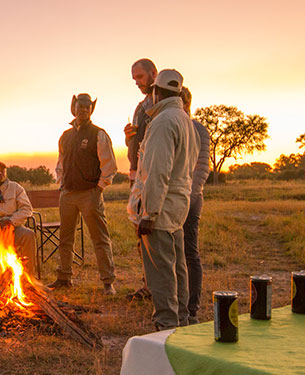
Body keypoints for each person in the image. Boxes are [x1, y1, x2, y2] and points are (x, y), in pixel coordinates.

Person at [127, 69, 199, 330]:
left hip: (161, 207)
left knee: (161, 270)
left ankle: (166, 323)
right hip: (178, 204)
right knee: (177, 266)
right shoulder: (183, 118)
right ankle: (183, 318)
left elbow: (158, 171)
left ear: (156, 91)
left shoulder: (162, 122)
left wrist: (149, 213)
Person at [48, 93, 118, 295]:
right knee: (65, 237)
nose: (84, 110)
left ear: (91, 110)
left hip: (90, 193)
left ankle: (107, 282)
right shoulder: (65, 136)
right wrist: (61, 183)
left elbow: (109, 165)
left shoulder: (98, 134)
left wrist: (99, 188)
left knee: (100, 238)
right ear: (74, 108)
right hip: (68, 194)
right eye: (80, 107)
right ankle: (64, 277)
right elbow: (60, 162)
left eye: (88, 107)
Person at [124, 58, 158, 301]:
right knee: (140, 232)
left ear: (153, 73)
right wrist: (128, 138)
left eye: (140, 77)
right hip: (136, 174)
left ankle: (159, 287)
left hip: (152, 174)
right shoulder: (139, 107)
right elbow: (136, 142)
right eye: (134, 78)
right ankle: (148, 284)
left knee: (156, 230)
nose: (136, 82)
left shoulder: (163, 103)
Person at [181, 87, 211, 325]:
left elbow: (202, 167)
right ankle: (179, 304)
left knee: (190, 251)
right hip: (175, 198)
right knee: (174, 253)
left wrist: (189, 195)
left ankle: (192, 308)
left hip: (190, 197)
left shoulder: (198, 129)